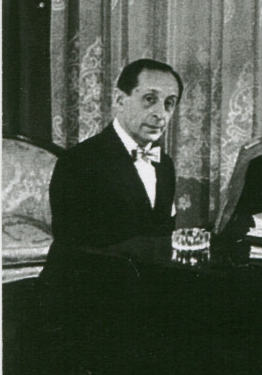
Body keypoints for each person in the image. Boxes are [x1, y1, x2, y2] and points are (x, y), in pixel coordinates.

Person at [46, 58, 183, 257]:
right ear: (120, 100)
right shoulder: (78, 162)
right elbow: (76, 249)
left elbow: (162, 235)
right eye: (149, 99)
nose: (160, 114)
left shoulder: (164, 164)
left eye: (169, 103)